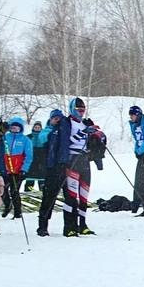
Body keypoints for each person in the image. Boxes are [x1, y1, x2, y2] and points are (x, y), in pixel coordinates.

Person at [61, 97, 98, 236]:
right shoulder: (67, 123)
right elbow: (68, 142)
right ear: (72, 109)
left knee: (84, 195)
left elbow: (89, 141)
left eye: (83, 110)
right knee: (71, 195)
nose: (81, 112)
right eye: (78, 110)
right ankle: (69, 226)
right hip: (72, 159)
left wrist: (95, 135)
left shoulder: (83, 123)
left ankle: (82, 224)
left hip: (84, 159)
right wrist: (84, 132)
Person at [36, 109, 69, 237]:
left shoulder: (63, 130)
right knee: (49, 197)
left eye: (59, 118)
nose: (57, 120)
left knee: (69, 197)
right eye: (54, 118)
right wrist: (54, 130)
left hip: (64, 166)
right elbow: (43, 139)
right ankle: (42, 226)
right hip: (51, 168)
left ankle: (70, 225)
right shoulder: (48, 131)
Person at [1, 117, 34, 219]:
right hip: (5, 169)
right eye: (13, 127)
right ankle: (7, 205)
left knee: (14, 191)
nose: (14, 129)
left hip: (17, 170)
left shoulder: (25, 140)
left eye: (17, 127)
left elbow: (29, 156)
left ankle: (17, 212)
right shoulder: (5, 138)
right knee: (2, 189)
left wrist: (24, 169)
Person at [23, 120, 46, 192]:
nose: (37, 128)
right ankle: (29, 192)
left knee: (42, 181)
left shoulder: (43, 137)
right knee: (30, 180)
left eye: (39, 127)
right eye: (36, 127)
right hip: (31, 161)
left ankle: (42, 193)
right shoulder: (28, 137)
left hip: (41, 162)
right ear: (33, 128)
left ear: (41, 128)